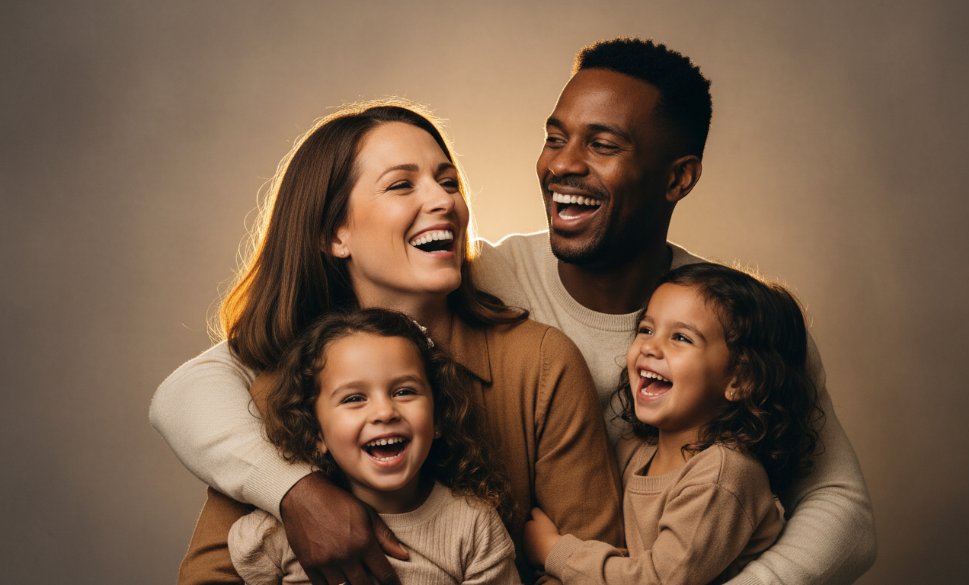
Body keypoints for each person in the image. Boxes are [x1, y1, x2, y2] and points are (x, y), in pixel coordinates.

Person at [150, 102, 623, 585]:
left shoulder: (541, 364)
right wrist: (296, 492)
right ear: (335, 234)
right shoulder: (289, 380)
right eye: (401, 185)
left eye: (449, 182)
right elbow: (209, 572)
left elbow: (587, 564)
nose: (444, 201)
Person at [470, 38, 877, 584]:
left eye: (603, 145)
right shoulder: (480, 281)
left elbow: (843, 511)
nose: (562, 163)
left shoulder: (739, 320)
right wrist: (335, 491)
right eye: (555, 138)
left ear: (677, 178)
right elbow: (352, 338)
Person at [522, 263, 821, 584]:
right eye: (646, 330)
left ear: (740, 380)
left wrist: (554, 551)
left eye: (681, 337)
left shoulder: (724, 476)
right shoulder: (634, 449)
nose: (650, 347)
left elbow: (655, 580)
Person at [229, 309, 521, 584]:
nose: (384, 412)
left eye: (404, 391)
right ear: (317, 432)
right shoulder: (278, 531)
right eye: (354, 398)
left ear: (437, 417)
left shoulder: (474, 527)